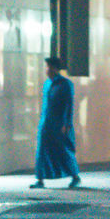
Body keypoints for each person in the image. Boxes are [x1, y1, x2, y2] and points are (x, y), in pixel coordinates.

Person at [31, 56, 81, 188]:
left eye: (48, 67)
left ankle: (75, 176)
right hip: (46, 122)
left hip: (59, 124)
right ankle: (40, 178)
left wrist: (67, 123)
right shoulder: (47, 84)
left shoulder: (65, 84)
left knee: (63, 150)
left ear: (54, 68)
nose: (46, 70)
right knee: (42, 150)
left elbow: (69, 105)